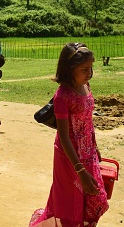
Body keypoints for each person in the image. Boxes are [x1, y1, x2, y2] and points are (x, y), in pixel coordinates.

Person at [30, 43, 109, 227]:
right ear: (69, 69)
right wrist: (80, 171)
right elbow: (64, 136)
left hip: (87, 152)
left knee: (95, 198)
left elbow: (89, 121)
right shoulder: (63, 96)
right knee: (71, 204)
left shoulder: (86, 86)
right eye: (84, 69)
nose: (89, 73)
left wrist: (95, 147)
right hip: (69, 157)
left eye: (91, 68)